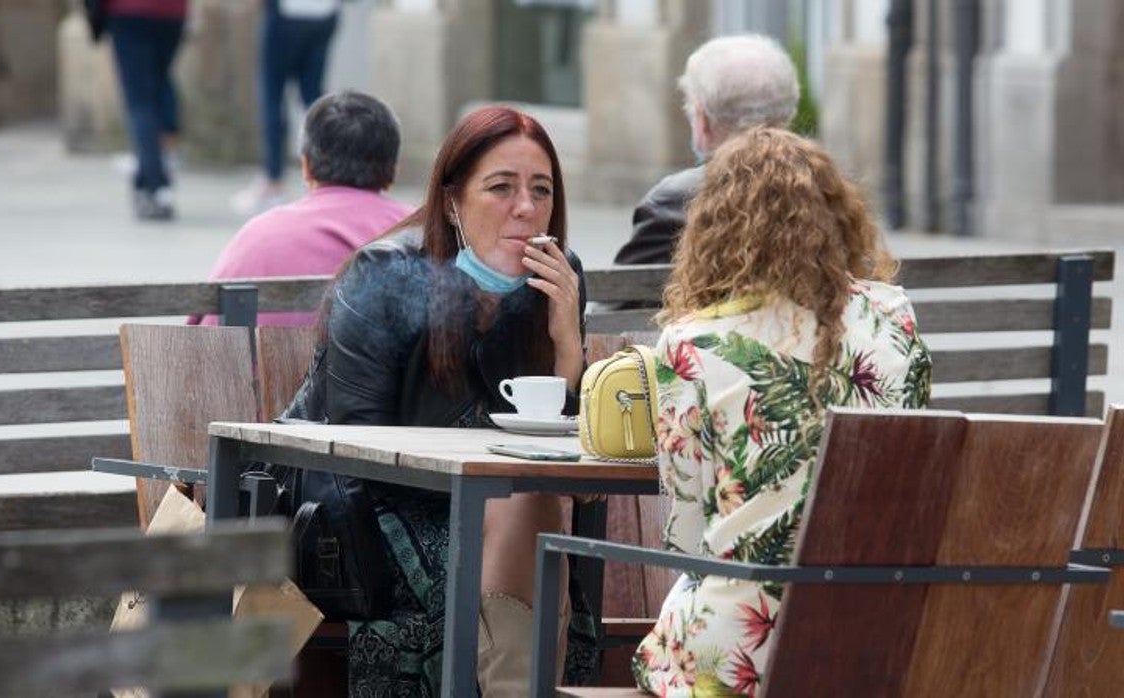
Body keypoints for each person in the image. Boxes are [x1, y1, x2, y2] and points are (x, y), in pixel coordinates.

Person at [281, 105, 594, 695]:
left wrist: (568, 350)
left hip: (509, 514)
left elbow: (576, 458)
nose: (525, 208)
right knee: (523, 506)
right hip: (369, 519)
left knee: (532, 503)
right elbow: (354, 447)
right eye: (501, 188)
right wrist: (478, 479)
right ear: (452, 201)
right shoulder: (386, 273)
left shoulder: (559, 281)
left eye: (541, 190)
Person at [630, 127, 932, 695]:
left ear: (714, 228)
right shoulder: (895, 316)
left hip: (742, 651)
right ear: (839, 218)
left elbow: (687, 529)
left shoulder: (693, 342)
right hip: (878, 634)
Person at [195, 91, 410, 326]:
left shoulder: (257, 237)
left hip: (269, 362)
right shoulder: (428, 231)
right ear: (393, 170)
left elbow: (204, 341)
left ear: (306, 166)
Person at [614, 34, 800, 265]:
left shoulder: (675, 200)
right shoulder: (827, 189)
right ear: (789, 115)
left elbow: (624, 297)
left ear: (703, 121)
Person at [232, 0, 342, 216]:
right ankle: (328, 175)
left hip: (286, 11)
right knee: (313, 97)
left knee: (272, 95)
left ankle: (273, 179)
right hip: (325, 11)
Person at [105, 0, 188, 221]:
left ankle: (155, 186)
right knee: (160, 84)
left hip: (129, 12)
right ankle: (155, 166)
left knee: (140, 99)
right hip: (171, 13)